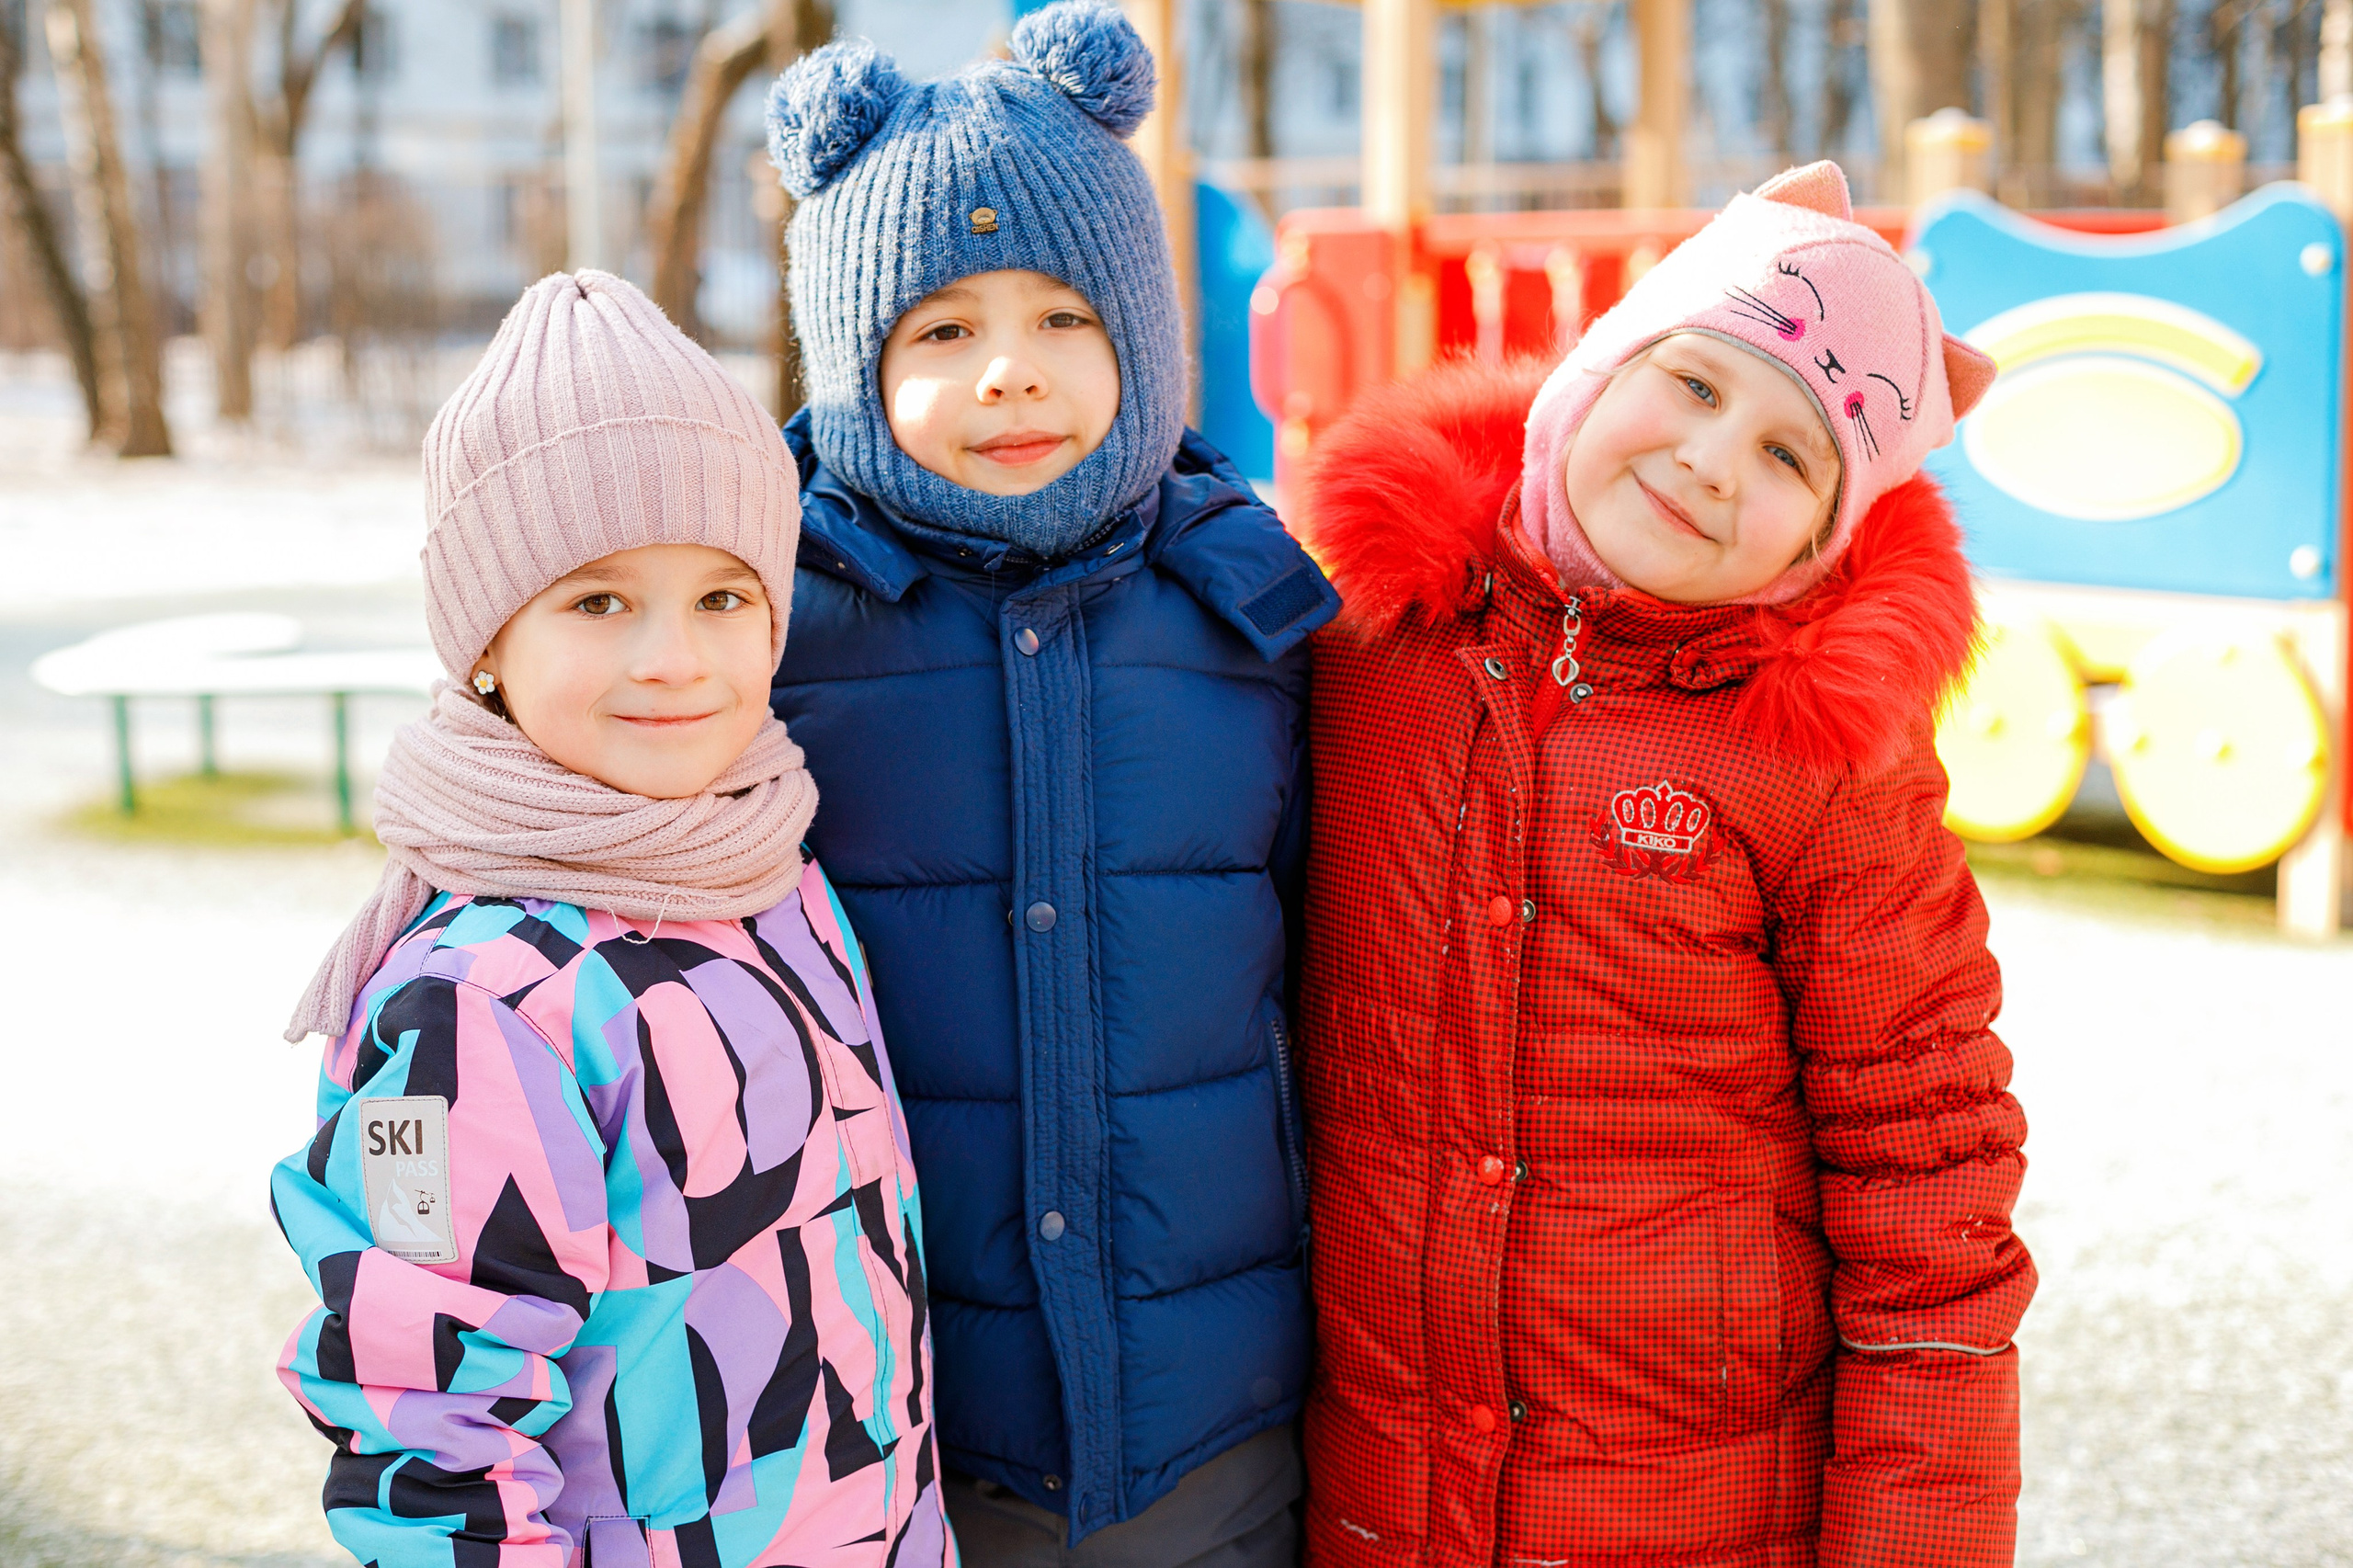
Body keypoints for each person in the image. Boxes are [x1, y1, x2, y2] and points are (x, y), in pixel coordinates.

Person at [1290, 162, 2037, 1568]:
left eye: (1788, 456)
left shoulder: (1822, 770)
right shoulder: (1365, 647)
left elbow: (1929, 1189)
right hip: (1377, 1501)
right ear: (1598, 363)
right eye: (1695, 385)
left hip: (1687, 1514)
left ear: (1825, 537)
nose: (1710, 460)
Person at [759, 6, 1340, 1564]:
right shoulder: (775, 628)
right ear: (850, 357)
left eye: (1061, 321)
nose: (1008, 374)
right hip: (905, 1422)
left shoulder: (1251, 616)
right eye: (940, 331)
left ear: (1142, 336)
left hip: (1215, 1414)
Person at [269, 271, 952, 1568]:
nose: (673, 658)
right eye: (598, 601)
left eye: (721, 597)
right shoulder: (471, 1001)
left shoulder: (773, 869)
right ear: (485, 641)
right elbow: (426, 1419)